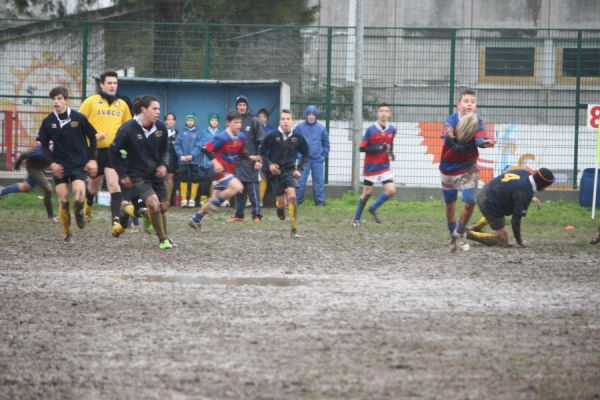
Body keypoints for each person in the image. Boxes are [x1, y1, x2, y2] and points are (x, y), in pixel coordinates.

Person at [110, 94, 174, 249]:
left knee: (163, 207)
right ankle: (163, 239)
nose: (158, 112)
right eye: (154, 109)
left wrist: (164, 165)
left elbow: (166, 150)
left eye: (159, 109)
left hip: (156, 174)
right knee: (153, 204)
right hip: (137, 174)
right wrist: (123, 174)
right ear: (144, 110)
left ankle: (127, 212)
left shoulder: (160, 129)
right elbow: (113, 152)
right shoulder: (127, 129)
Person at [37, 86, 98, 242]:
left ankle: (79, 213)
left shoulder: (79, 118)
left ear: (65, 100)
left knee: (78, 197)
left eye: (58, 99)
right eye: (53, 99)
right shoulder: (48, 122)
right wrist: (52, 164)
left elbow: (92, 136)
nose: (55, 102)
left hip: (78, 165)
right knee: (63, 199)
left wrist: (92, 159)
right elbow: (43, 145)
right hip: (60, 166)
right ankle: (67, 233)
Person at [439, 89, 495, 252]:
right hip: (448, 168)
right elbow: (451, 141)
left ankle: (460, 232)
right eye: (466, 101)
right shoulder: (450, 120)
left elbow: (479, 139)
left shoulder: (477, 121)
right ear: (458, 104)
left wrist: (485, 143)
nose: (469, 104)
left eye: (472, 101)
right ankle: (453, 235)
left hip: (469, 167)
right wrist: (454, 137)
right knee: (450, 205)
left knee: (470, 201)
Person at [79, 71, 132, 236]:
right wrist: (92, 136)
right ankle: (88, 203)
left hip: (112, 151)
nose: (112, 86)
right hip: (94, 151)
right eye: (109, 83)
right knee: (93, 186)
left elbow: (128, 128)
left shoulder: (122, 105)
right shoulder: (91, 102)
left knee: (114, 185)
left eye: (115, 83)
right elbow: (77, 124)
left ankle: (115, 222)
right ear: (101, 85)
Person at [188, 111, 262, 230]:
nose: (238, 125)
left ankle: (195, 219)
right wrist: (215, 162)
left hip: (228, 172)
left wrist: (251, 157)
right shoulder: (222, 137)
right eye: (235, 122)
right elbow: (206, 149)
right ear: (228, 123)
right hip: (219, 171)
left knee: (213, 201)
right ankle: (213, 203)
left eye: (240, 122)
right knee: (238, 187)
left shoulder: (241, 136)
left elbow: (242, 153)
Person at [466, 168, 554, 247]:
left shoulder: (524, 173)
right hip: (489, 202)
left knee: (501, 212)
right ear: (542, 186)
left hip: (486, 192)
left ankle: (476, 227)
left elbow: (513, 186)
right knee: (502, 240)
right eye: (546, 186)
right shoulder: (524, 192)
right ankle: (465, 233)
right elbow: (515, 221)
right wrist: (520, 241)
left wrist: (531, 197)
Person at [260, 109, 309, 238]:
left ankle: (294, 228)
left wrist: (299, 169)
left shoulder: (297, 137)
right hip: (275, 173)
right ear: (280, 121)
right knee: (282, 202)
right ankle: (280, 207)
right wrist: (270, 165)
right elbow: (263, 152)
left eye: (288, 119)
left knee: (292, 196)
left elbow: (306, 153)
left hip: (289, 171)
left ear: (292, 121)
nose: (285, 121)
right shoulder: (272, 135)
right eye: (283, 119)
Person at [352, 103, 397, 227]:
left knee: (391, 190)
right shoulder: (371, 130)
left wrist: (391, 153)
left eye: (386, 111)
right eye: (381, 111)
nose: (383, 113)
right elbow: (362, 148)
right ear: (377, 113)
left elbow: (390, 144)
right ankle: (356, 219)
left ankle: (373, 208)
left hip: (384, 167)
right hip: (371, 167)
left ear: (389, 114)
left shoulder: (392, 129)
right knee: (367, 193)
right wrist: (378, 148)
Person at [0, 143, 57, 222]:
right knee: (48, 189)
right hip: (33, 168)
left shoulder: (61, 148)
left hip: (40, 167)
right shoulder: (39, 152)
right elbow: (24, 155)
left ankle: (2, 191)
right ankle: (51, 215)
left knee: (25, 187)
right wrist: (17, 164)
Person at [231, 95, 265, 222]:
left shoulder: (254, 120)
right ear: (236, 107)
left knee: (253, 189)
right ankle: (239, 215)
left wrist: (258, 159)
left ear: (247, 106)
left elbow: (261, 141)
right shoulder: (233, 122)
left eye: (244, 105)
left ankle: (257, 215)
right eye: (239, 105)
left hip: (251, 162)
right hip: (238, 162)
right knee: (239, 188)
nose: (242, 107)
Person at [294, 105, 330, 206]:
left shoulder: (321, 128)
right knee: (300, 182)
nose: (311, 116)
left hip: (317, 160)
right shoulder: (299, 128)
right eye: (309, 114)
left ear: (316, 116)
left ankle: (320, 202)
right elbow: (294, 143)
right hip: (303, 160)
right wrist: (298, 155)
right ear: (306, 115)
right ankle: (297, 201)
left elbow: (326, 144)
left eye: (313, 114)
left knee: (318, 182)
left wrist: (323, 156)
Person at [175, 114, 200, 208]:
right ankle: (184, 199)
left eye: (192, 120)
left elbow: (199, 145)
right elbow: (177, 145)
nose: (190, 122)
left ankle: (192, 199)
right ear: (186, 121)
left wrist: (192, 155)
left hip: (194, 160)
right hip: (183, 160)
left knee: (195, 178)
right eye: (188, 120)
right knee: (183, 178)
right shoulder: (181, 133)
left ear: (194, 122)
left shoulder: (198, 132)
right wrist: (181, 155)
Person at [195, 113, 219, 206]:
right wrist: (206, 148)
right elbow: (201, 145)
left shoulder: (219, 133)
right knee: (205, 181)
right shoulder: (203, 132)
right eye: (213, 120)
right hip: (206, 161)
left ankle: (213, 200)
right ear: (209, 121)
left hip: (216, 162)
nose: (214, 122)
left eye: (216, 120)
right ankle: (203, 200)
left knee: (215, 182)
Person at [257, 108, 274, 204]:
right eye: (260, 117)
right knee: (258, 177)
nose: (261, 118)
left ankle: (263, 199)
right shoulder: (255, 128)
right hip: (257, 156)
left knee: (265, 177)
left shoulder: (271, 129)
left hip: (268, 157)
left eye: (264, 116)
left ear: (267, 118)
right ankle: (256, 199)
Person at [164, 112, 178, 205]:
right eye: (168, 119)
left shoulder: (178, 133)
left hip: (173, 157)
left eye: (172, 119)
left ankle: (168, 200)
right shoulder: (161, 131)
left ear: (175, 121)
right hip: (163, 157)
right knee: (161, 176)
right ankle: (161, 199)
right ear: (165, 121)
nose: (170, 121)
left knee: (170, 177)